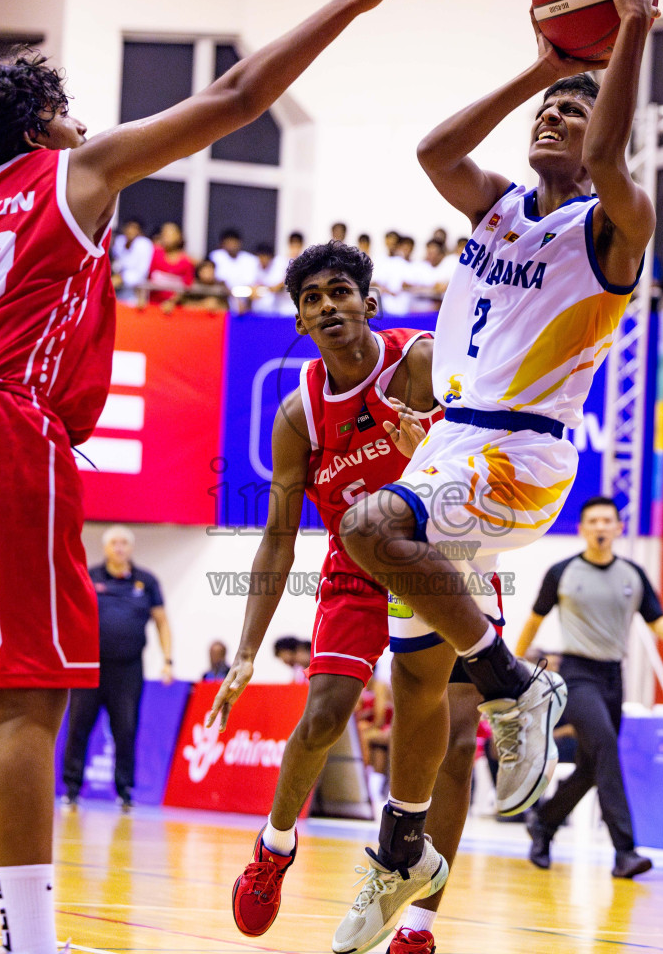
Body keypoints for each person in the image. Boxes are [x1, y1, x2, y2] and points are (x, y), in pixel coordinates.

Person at [0, 0, 428, 951]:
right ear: (39, 120)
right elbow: (239, 94)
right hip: (3, 421)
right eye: (64, 99)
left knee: (3, 693)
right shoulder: (70, 172)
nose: (79, 112)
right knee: (35, 699)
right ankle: (29, 942)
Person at [330, 0, 660, 950]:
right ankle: (403, 853)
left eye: (572, 106)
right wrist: (542, 64)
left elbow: (607, 157)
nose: (555, 117)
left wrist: (631, 32)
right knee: (419, 684)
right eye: (546, 111)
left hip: (520, 455)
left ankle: (520, 684)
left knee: (366, 521)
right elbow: (434, 150)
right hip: (450, 449)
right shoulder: (496, 206)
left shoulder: (617, 223)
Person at [207, 241, 487, 954]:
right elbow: (277, 538)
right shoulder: (300, 413)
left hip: (443, 553)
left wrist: (431, 440)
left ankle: (418, 927)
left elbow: (484, 455)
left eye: (340, 290)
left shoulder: (419, 363)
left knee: (456, 742)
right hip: (356, 569)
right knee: (327, 711)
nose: (327, 304)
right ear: (301, 321)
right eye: (312, 298)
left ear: (370, 302)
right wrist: (245, 652)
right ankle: (274, 846)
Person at [516, 496, 663, 879]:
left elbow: (656, 621)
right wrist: (512, 663)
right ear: (582, 528)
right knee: (607, 746)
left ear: (618, 528)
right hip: (577, 675)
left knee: (593, 766)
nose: (599, 527)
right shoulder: (562, 571)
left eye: (606, 521)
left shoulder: (633, 574)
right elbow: (534, 620)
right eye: (592, 520)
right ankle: (624, 852)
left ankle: (543, 822)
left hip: (614, 676)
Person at [61, 526, 172, 808]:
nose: (119, 547)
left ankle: (124, 792)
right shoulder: (90, 576)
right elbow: (69, 616)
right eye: (114, 543)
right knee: (78, 728)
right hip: (90, 669)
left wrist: (167, 661)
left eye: (124, 543)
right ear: (106, 548)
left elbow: (161, 622)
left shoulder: (145, 581)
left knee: (125, 729)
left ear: (131, 548)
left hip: (128, 671)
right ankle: (71, 789)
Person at [145, 220, 195, 304]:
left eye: (170, 234)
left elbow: (187, 286)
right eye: (164, 234)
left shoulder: (187, 262)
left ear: (179, 237)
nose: (166, 237)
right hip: (152, 305)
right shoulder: (154, 253)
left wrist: (172, 302)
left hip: (174, 309)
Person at [209, 228, 262, 306]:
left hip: (247, 303)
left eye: (233, 242)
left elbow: (252, 285)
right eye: (228, 242)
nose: (231, 245)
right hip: (222, 302)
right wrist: (235, 300)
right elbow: (219, 281)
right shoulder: (216, 256)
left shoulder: (250, 259)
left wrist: (244, 302)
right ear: (222, 243)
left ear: (239, 242)